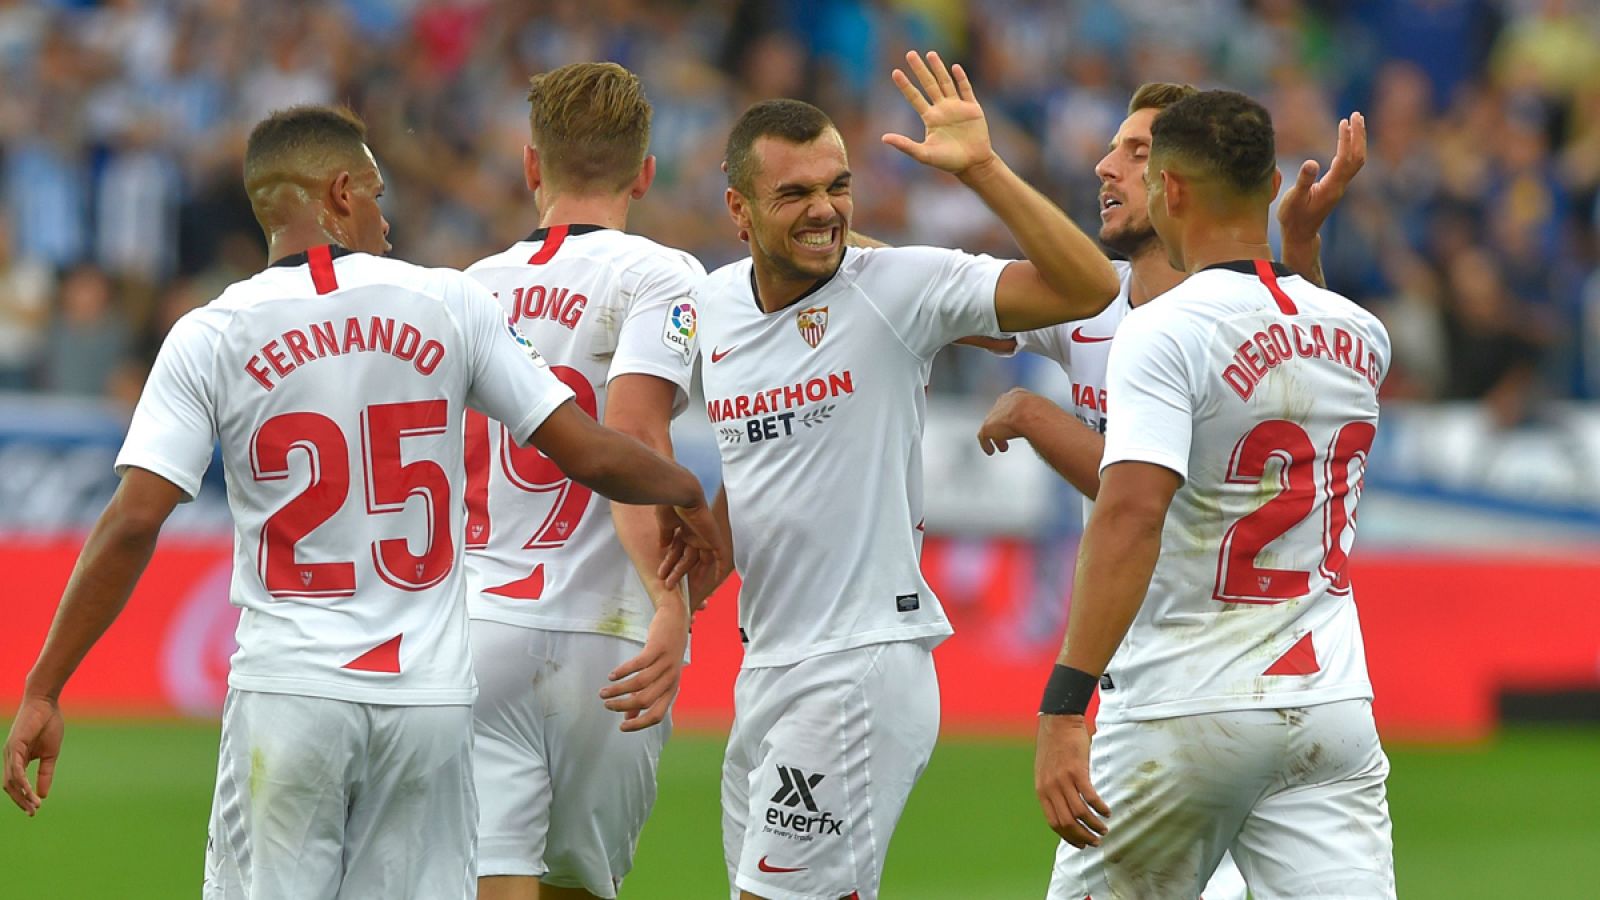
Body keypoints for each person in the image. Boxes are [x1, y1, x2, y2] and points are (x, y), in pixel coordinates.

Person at [2, 105, 723, 900]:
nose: (388, 217)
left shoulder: (211, 332)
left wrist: (44, 686)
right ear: (340, 194)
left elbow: (134, 519)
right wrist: (685, 487)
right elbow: (586, 450)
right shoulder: (448, 302)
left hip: (290, 692)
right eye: (377, 194)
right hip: (427, 703)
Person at [695, 51, 1119, 900]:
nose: (824, 209)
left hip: (859, 663)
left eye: (837, 186)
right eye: (795, 194)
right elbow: (758, 467)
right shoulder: (710, 308)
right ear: (739, 211)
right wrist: (681, 591)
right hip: (766, 663)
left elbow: (1088, 285)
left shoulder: (898, 285)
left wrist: (984, 169)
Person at [970, 82, 1367, 898]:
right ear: (1268, 186)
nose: (1112, 168)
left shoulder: (1160, 332)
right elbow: (1294, 346)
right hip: (1329, 700)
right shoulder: (1359, 331)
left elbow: (1133, 513)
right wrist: (1301, 250)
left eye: (1141, 158)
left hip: (1181, 698)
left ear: (1172, 189)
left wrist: (1060, 709)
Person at [461, 62, 725, 900]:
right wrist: (671, 603)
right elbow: (635, 436)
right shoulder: (658, 275)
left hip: (474, 628)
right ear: (646, 173)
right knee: (581, 886)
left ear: (531, 164)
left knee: (488, 881)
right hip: (604, 630)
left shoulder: (465, 290)